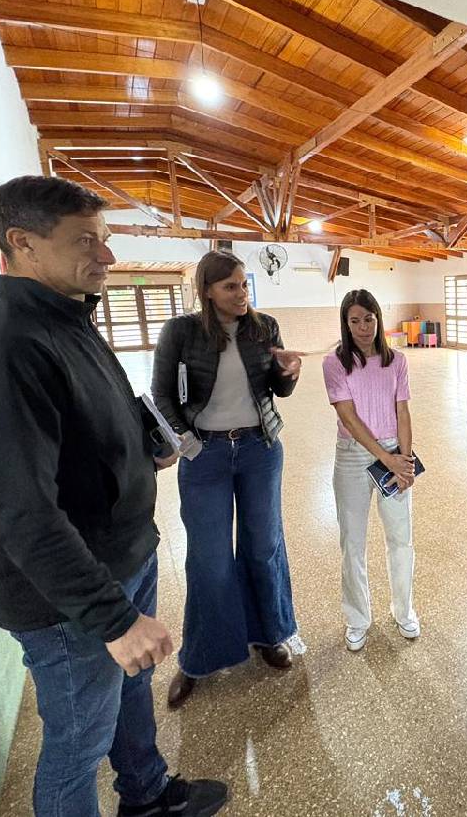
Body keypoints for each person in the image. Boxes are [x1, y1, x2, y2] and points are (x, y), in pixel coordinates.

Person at [0, 176, 227, 817]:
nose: (108, 256)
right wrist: (113, 620)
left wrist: (144, 448)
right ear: (22, 244)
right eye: (86, 241)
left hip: (124, 557)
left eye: (106, 238)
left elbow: (87, 427)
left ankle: (145, 796)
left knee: (127, 697)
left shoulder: (67, 318)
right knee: (77, 745)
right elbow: (21, 510)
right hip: (71, 600)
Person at [152, 250, 301, 709]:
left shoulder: (264, 327)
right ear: (208, 291)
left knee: (263, 547)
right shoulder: (182, 331)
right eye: (230, 286)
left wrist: (287, 372)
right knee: (209, 558)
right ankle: (199, 658)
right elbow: (162, 393)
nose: (241, 294)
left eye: (243, 284)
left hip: (259, 449)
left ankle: (269, 635)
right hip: (207, 455)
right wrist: (184, 440)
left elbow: (277, 390)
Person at [323, 289, 419, 652]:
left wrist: (404, 462)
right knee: (353, 542)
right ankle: (358, 618)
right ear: (346, 324)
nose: (363, 327)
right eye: (354, 320)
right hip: (352, 456)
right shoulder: (335, 363)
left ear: (378, 319)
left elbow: (404, 411)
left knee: (401, 538)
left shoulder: (397, 361)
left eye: (368, 319)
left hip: (395, 450)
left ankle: (404, 610)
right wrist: (387, 458)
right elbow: (348, 415)